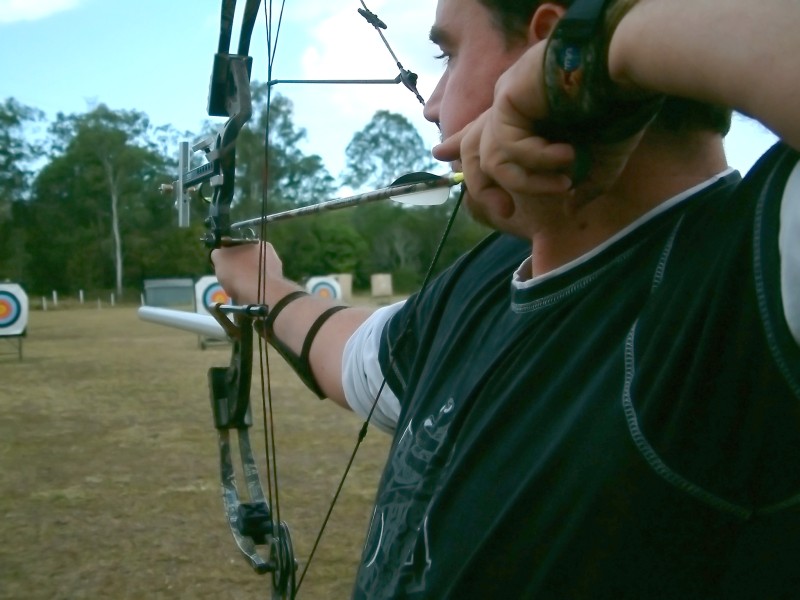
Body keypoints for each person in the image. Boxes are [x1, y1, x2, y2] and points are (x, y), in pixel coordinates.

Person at [212, 0, 800, 597]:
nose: (433, 103)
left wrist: (597, 49)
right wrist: (264, 286)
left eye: (447, 54)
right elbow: (352, 357)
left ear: (545, 43)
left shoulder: (753, 277)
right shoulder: (492, 271)